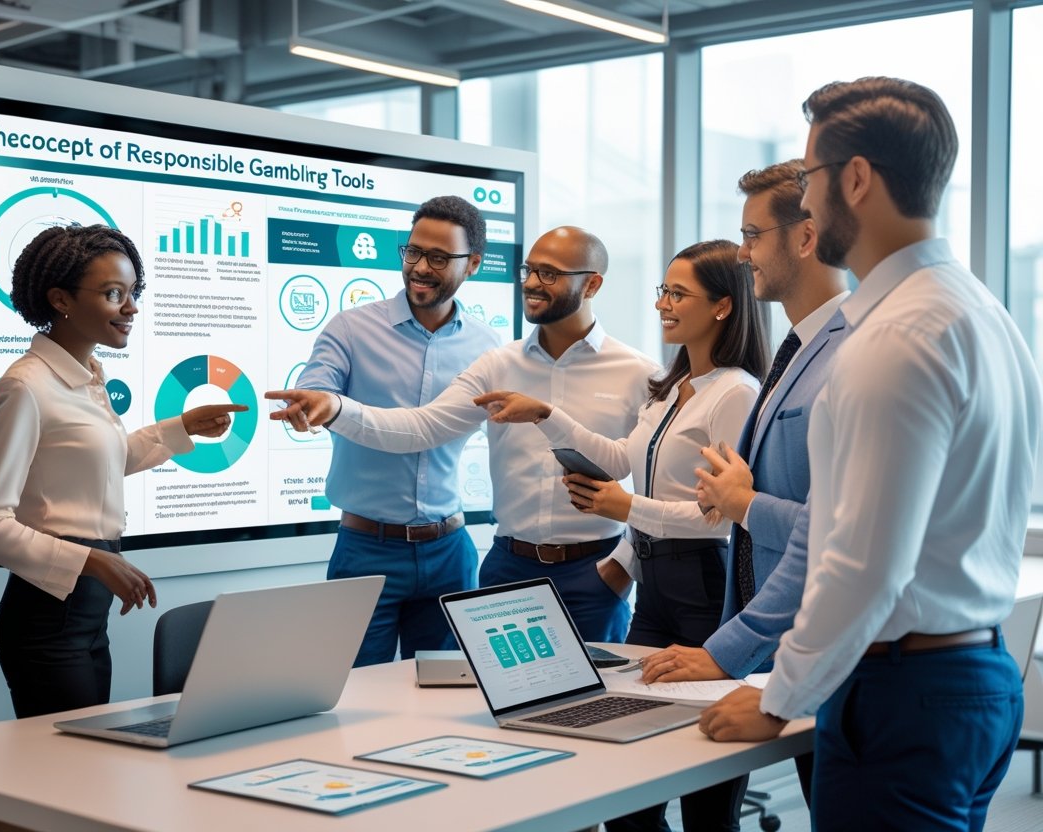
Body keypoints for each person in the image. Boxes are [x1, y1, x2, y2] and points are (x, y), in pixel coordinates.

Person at [699, 77, 1041, 832]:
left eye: (813, 180)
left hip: (903, 688)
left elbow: (859, 561)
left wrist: (781, 695)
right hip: (976, 674)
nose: (809, 205)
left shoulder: (891, 339)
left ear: (855, 179)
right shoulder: (982, 312)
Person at [479, 239, 767, 832]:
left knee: (706, 798)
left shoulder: (735, 390)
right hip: (656, 590)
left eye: (678, 294)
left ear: (722, 307)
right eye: (662, 290)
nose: (663, 303)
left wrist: (626, 508)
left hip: (704, 589)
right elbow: (618, 458)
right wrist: (545, 415)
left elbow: (724, 515)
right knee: (630, 791)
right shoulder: (671, 385)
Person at [269, 226, 660, 643]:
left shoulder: (639, 373)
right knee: (496, 705)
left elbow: (660, 485)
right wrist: (338, 408)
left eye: (550, 274)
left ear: (592, 284)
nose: (531, 283)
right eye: (529, 270)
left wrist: (624, 565)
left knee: (597, 707)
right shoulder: (496, 363)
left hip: (594, 573)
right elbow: (422, 426)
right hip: (508, 570)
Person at [637, 161, 849, 801]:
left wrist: (745, 503)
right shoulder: (801, 349)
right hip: (796, 648)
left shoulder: (850, 351)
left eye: (752, 236)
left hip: (833, 653)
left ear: (805, 237)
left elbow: (834, 531)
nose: (743, 253)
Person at [0, 224, 244, 718]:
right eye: (114, 294)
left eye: (133, 293)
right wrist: (91, 561)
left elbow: (101, 465)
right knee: (67, 770)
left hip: (86, 613)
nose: (132, 308)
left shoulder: (86, 377)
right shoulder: (26, 388)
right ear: (61, 300)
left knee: (87, 764)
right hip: (48, 615)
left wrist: (179, 428)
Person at [284, 195, 500, 667]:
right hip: (366, 551)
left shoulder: (489, 347)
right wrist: (314, 404)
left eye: (439, 258)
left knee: (450, 697)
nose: (420, 267)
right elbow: (317, 387)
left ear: (474, 264)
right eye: (413, 252)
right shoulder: (351, 329)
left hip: (450, 552)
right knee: (354, 697)